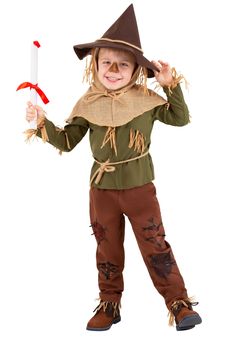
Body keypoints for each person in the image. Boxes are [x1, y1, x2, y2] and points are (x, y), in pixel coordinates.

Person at [25, 4, 202, 332]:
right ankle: (109, 303)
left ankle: (178, 303)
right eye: (106, 61)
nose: (113, 69)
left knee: (155, 244)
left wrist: (169, 86)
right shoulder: (87, 103)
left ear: (136, 69)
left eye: (123, 64)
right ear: (95, 64)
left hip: (140, 190)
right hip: (101, 191)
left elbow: (180, 118)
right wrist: (41, 124)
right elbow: (67, 141)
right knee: (106, 247)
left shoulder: (146, 100)